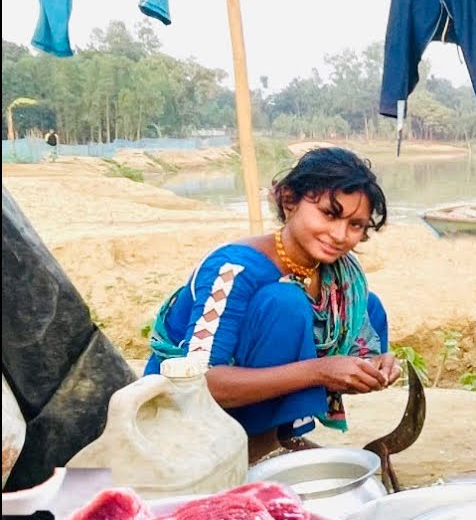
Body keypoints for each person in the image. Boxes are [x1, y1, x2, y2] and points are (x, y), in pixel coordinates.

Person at [146, 147, 401, 461]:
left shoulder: (340, 277)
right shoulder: (233, 268)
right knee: (285, 302)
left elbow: (339, 362)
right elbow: (198, 382)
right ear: (290, 201)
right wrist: (320, 371)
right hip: (184, 422)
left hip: (247, 413)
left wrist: (368, 370)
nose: (339, 235)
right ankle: (251, 452)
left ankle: (275, 439)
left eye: (356, 225)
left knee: (367, 305)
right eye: (329, 214)